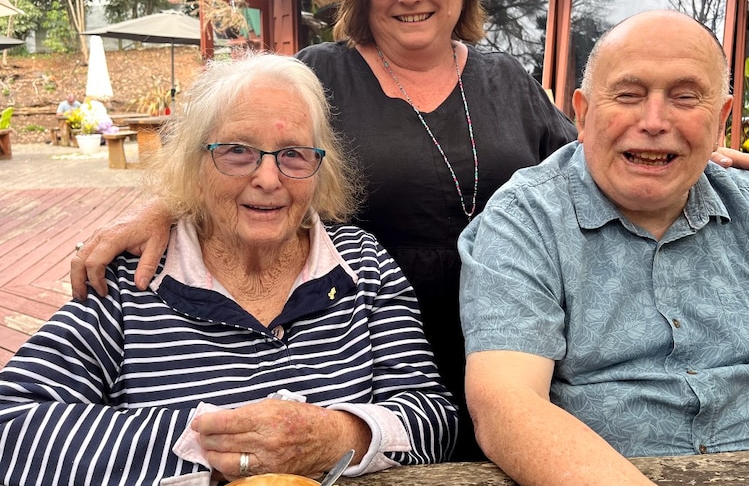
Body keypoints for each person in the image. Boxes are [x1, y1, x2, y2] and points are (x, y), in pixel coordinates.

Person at [68, 0, 749, 462]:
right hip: (382, 347)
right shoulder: (324, 71)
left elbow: (598, 154)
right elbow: (242, 139)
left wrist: (702, 152)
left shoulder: (502, 76)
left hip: (524, 347)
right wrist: (164, 204)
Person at [0, 52, 457, 486]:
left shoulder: (361, 263)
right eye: (238, 151)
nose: (268, 178)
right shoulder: (131, 277)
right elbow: (10, 423)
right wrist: (214, 444)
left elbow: (436, 419)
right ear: (195, 164)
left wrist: (340, 436)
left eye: (294, 154)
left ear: (321, 169)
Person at [457, 10, 749, 486]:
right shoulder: (526, 220)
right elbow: (506, 406)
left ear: (721, 121)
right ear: (583, 114)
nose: (654, 121)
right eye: (628, 95)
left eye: (685, 98)